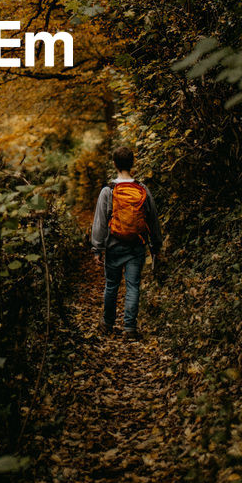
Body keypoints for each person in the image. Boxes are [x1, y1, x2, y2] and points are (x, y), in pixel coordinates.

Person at [90, 144, 163, 339]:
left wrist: (97, 249)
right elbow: (152, 219)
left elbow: (100, 222)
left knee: (111, 285)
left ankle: (107, 323)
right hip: (136, 246)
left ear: (114, 164)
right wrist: (156, 246)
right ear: (132, 163)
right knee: (133, 286)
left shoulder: (109, 191)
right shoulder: (142, 188)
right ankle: (130, 329)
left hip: (114, 246)